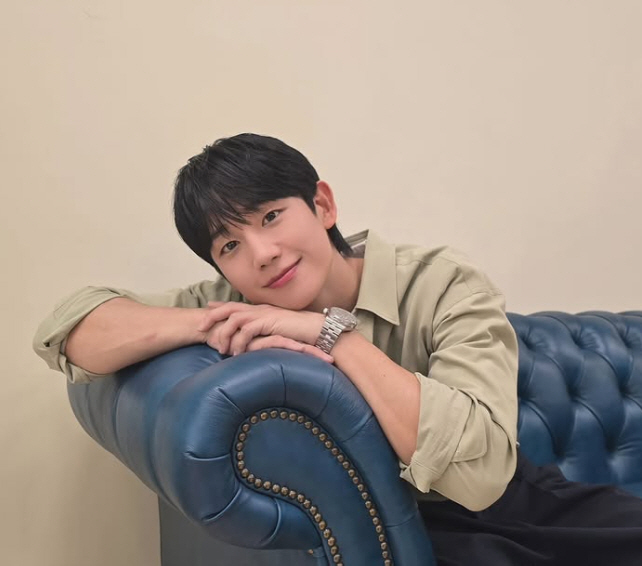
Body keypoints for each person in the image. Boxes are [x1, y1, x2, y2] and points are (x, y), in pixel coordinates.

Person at [33, 133, 642, 565]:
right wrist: (207, 324)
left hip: (516, 501)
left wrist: (335, 337)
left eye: (271, 216)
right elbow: (70, 328)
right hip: (389, 522)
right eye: (229, 246)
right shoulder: (236, 299)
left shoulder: (441, 282)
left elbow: (481, 476)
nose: (261, 254)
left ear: (322, 205)